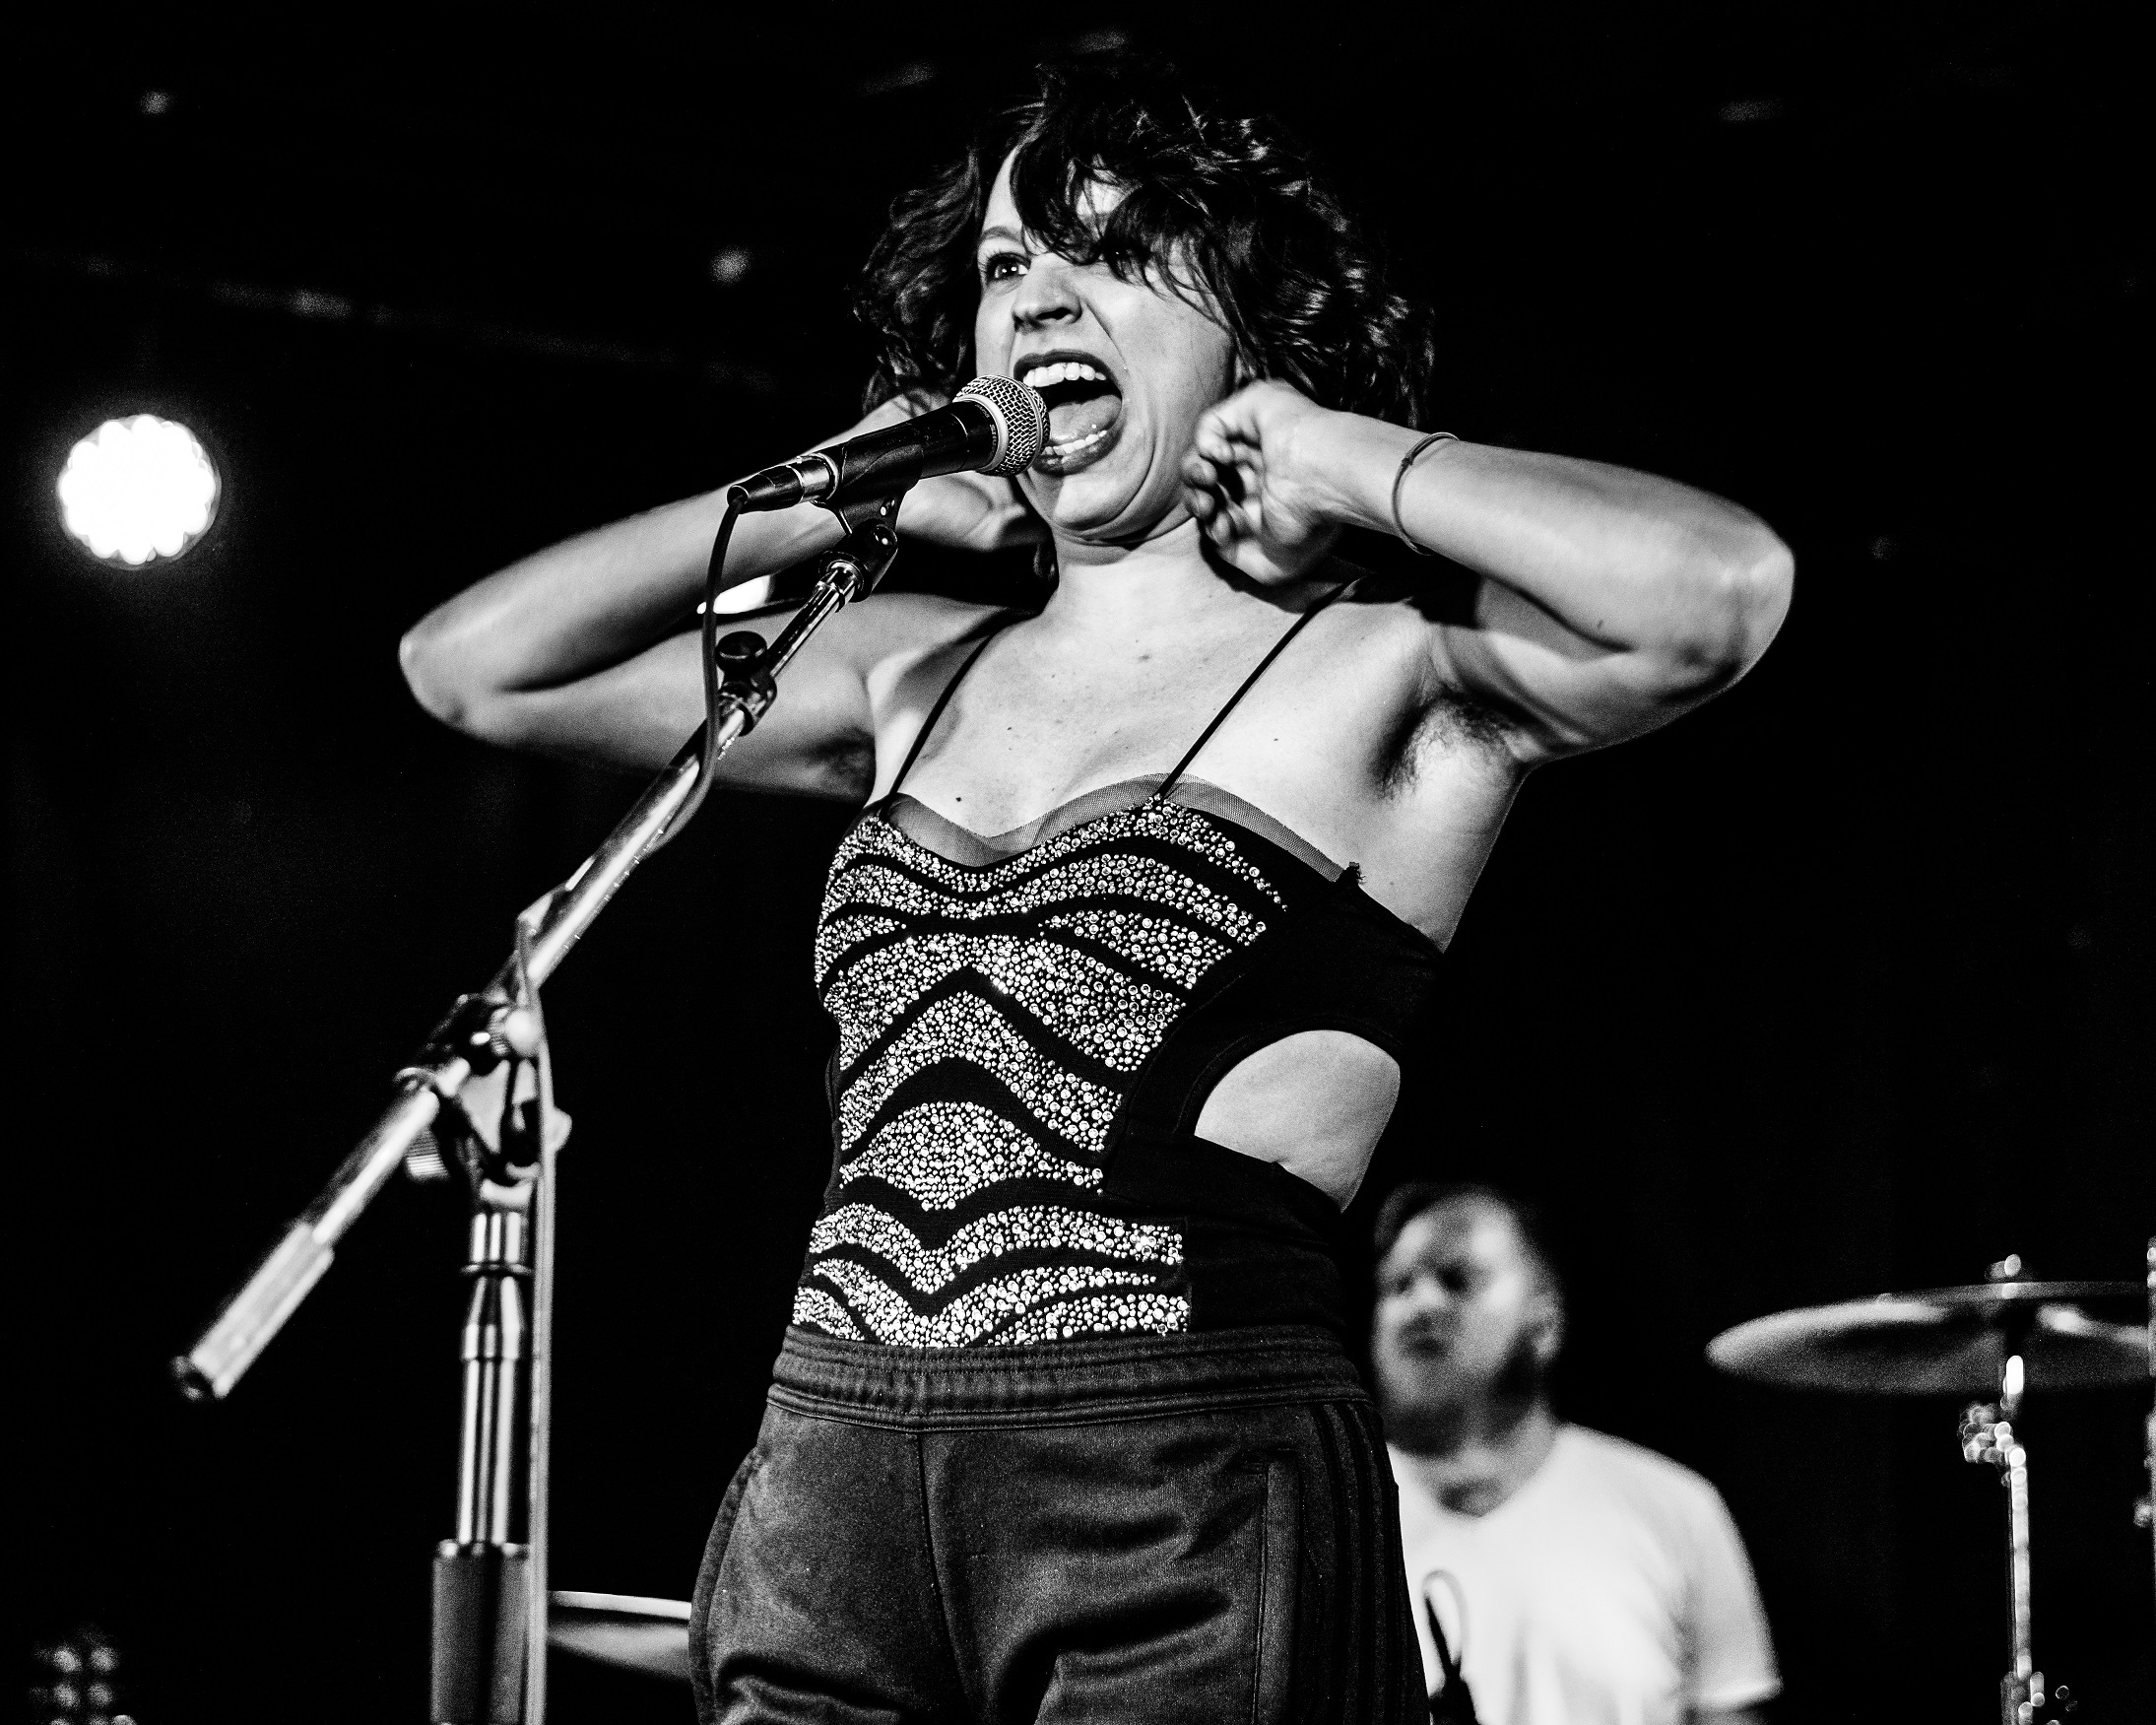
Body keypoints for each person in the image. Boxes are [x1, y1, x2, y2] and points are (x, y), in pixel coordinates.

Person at [400, 53, 1793, 1725]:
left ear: (1251, 329)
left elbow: (1714, 593)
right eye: (1006, 266)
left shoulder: (1391, 668)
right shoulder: (907, 668)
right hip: (829, 1472)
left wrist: (1337, 452)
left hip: (1174, 1473)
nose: (1038, 299)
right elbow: (475, 669)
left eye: (1116, 254)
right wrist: (841, 486)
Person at [1372, 1182, 1782, 1725]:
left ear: (1544, 1320)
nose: (1421, 1304)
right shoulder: (1327, 1518)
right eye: (1397, 1285)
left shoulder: (1675, 1508)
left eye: (1457, 1278)